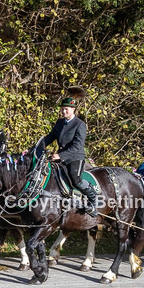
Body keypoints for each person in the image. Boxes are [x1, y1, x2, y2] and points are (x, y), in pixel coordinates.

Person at [42, 87, 98, 216]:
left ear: (73, 109)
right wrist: (36, 147)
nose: (63, 111)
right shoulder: (59, 123)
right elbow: (50, 137)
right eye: (62, 108)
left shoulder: (80, 124)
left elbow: (77, 145)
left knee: (75, 178)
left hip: (75, 157)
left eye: (66, 109)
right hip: (60, 157)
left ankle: (94, 201)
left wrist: (60, 155)